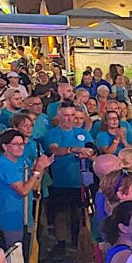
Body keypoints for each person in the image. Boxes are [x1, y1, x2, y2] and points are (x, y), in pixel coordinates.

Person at [45, 106, 96, 255]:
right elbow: (54, 150)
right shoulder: (53, 133)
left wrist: (88, 152)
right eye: (66, 115)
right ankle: (61, 242)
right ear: (59, 117)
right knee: (61, 214)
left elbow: (91, 148)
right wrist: (72, 149)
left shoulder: (82, 133)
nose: (69, 118)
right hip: (60, 182)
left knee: (81, 212)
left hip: (81, 181)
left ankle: (80, 242)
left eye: (72, 115)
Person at [0, 129, 52, 250]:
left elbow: (34, 186)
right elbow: (23, 190)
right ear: (5, 146)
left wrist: (39, 170)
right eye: (15, 144)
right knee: (15, 256)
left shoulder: (22, 160)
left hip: (25, 215)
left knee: (27, 254)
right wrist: (37, 170)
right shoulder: (5, 165)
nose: (20, 148)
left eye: (22, 144)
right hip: (11, 216)